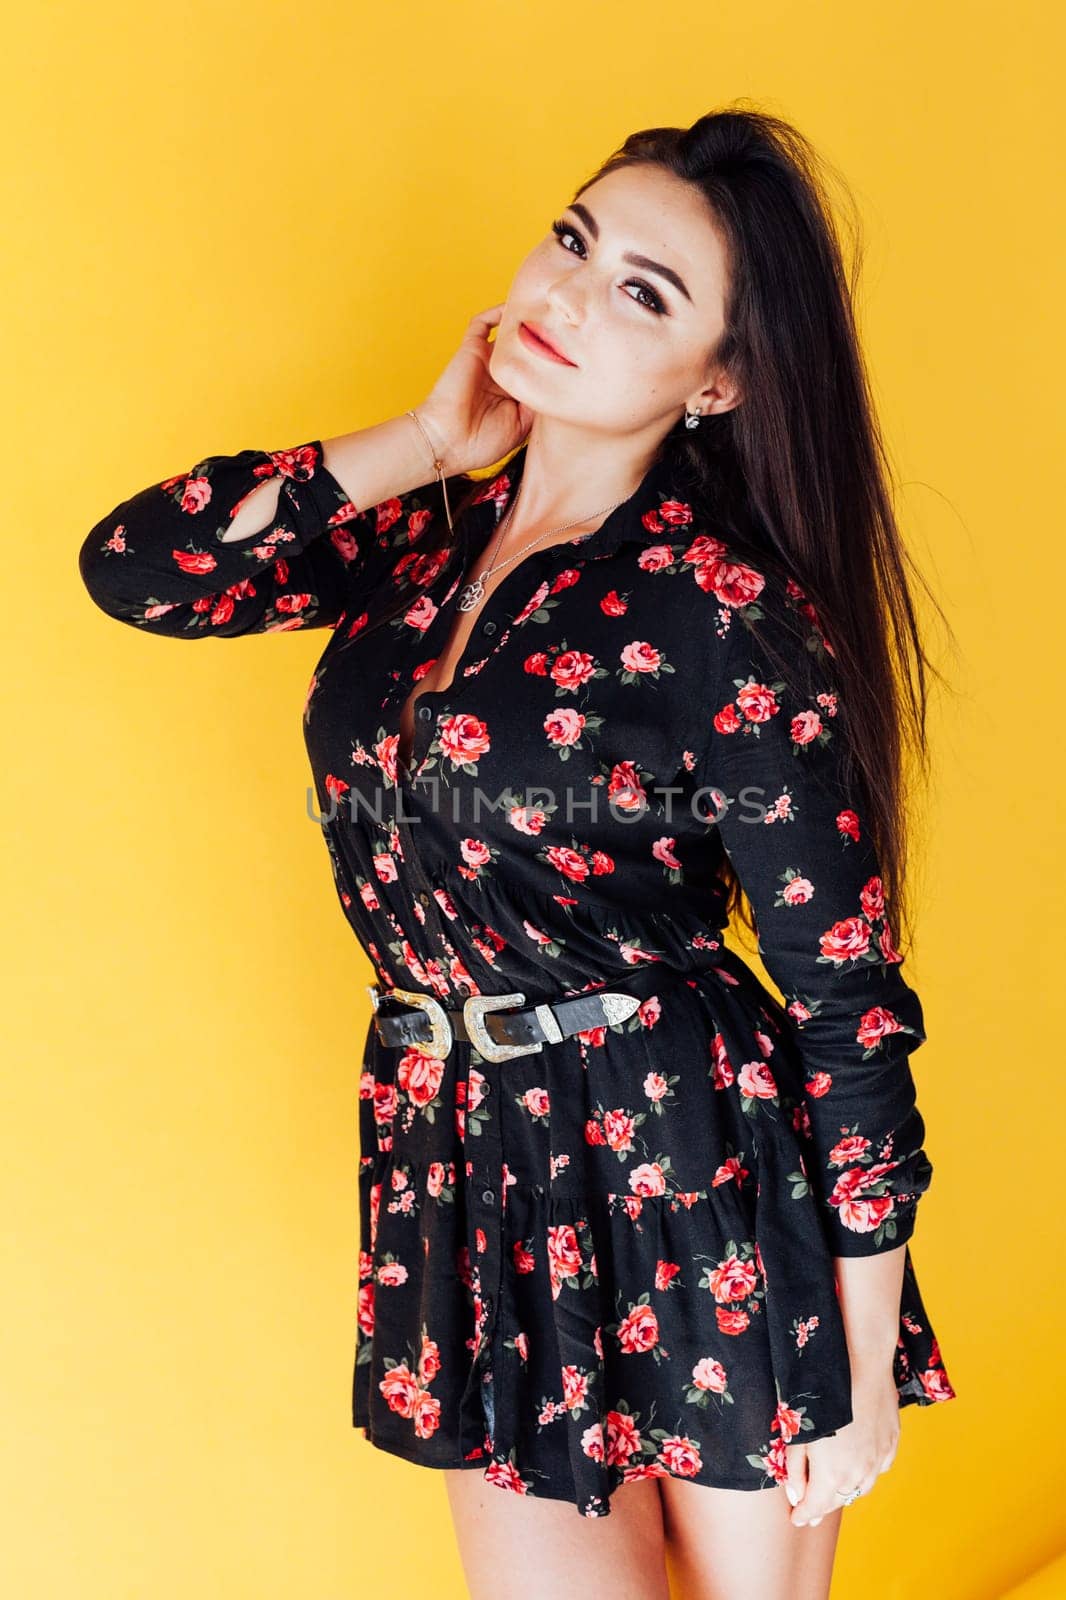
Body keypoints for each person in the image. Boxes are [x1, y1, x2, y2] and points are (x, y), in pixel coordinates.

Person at [78, 107, 956, 1600]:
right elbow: (141, 568)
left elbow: (846, 1008)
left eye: (643, 292)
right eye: (571, 241)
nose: (565, 296)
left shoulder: (717, 609)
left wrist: (860, 1367)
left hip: (685, 1167)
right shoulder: (421, 538)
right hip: (464, 1164)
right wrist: (421, 442)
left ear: (719, 381)